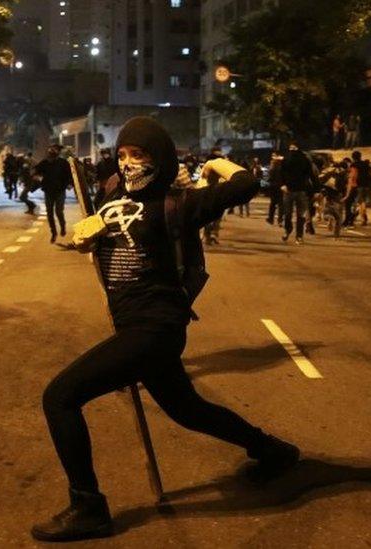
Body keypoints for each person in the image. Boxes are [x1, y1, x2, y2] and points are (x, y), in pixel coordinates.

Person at [32, 117, 300, 542]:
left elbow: (247, 183)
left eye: (139, 155)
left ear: (161, 159)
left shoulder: (180, 203)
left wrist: (217, 163)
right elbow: (98, 236)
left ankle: (88, 507)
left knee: (60, 397)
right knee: (186, 409)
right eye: (122, 155)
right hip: (131, 325)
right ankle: (272, 450)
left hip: (155, 327)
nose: (129, 164)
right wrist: (87, 239)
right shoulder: (110, 193)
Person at [276, 142, 314, 245]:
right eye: (291, 148)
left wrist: (316, 190)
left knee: (300, 215)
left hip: (301, 190)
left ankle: (299, 236)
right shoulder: (286, 160)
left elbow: (311, 175)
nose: (292, 151)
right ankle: (288, 230)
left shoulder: (305, 160)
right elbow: (281, 174)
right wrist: (282, 185)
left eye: (294, 148)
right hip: (289, 190)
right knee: (288, 214)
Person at [34, 144, 72, 243]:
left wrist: (69, 184)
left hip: (60, 191)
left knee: (59, 211)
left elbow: (69, 175)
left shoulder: (63, 163)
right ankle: (54, 232)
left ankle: (63, 226)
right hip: (48, 191)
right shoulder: (45, 163)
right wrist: (37, 178)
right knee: (49, 213)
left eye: (54, 151)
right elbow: (36, 170)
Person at [266, 152, 284, 226]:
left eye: (273, 156)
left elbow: (270, 177)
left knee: (273, 203)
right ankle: (280, 220)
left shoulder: (273, 165)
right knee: (281, 204)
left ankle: (271, 219)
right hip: (281, 186)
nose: (272, 157)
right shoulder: (283, 165)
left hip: (274, 186)